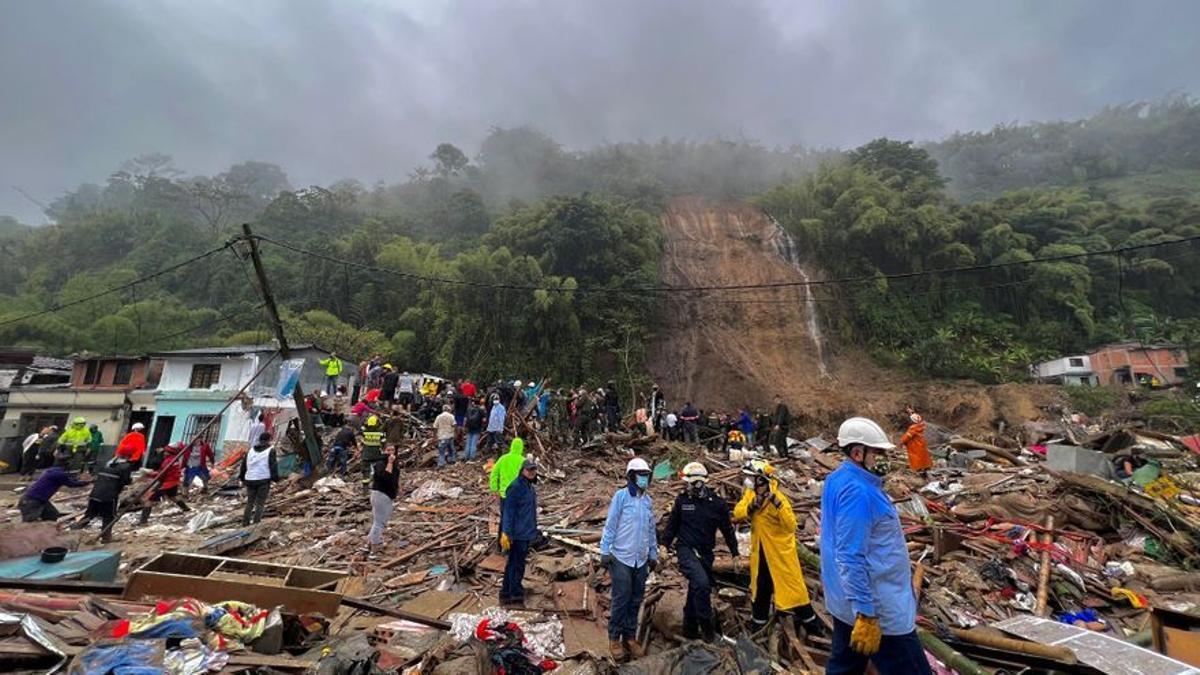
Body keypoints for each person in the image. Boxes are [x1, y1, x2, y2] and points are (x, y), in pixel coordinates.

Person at [821, 418, 930, 675]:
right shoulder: (859, 493)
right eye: (878, 452)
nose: (884, 458)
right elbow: (849, 556)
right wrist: (867, 614)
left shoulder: (838, 478)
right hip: (877, 610)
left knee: (845, 666)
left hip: (844, 602)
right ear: (858, 453)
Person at [733, 459, 825, 639]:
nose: (750, 482)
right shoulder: (750, 496)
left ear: (762, 480)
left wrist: (778, 505)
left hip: (780, 555)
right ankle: (757, 628)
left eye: (753, 479)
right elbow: (737, 512)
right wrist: (751, 507)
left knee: (795, 592)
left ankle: (815, 627)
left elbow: (791, 526)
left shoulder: (780, 499)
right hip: (761, 554)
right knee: (761, 591)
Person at [661, 462, 739, 642]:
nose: (688, 486)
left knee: (696, 589)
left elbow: (727, 529)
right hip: (686, 550)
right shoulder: (682, 501)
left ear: (699, 482)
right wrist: (664, 544)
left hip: (706, 554)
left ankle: (689, 630)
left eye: (691, 483)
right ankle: (708, 632)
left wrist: (735, 553)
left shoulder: (717, 504)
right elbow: (672, 525)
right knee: (702, 584)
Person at [600, 457, 658, 661]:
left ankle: (630, 636)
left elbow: (651, 530)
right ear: (631, 477)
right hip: (622, 557)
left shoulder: (648, 501)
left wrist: (653, 553)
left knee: (635, 599)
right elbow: (611, 525)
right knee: (621, 598)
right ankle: (614, 637)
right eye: (640, 475)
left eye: (646, 475)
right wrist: (604, 550)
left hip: (640, 559)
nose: (644, 479)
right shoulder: (621, 497)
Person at [500, 458, 539, 607]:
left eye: (533, 470)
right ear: (522, 470)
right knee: (516, 565)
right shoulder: (515, 487)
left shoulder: (529, 486)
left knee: (515, 564)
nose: (531, 472)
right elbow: (508, 512)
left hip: (526, 531)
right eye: (529, 470)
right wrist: (506, 532)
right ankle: (514, 594)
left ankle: (506, 592)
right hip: (517, 533)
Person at [72, 458, 134, 542]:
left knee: (90, 514)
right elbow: (125, 481)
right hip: (109, 496)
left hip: (95, 494)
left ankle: (76, 527)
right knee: (109, 517)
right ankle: (106, 537)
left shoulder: (105, 467)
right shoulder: (124, 468)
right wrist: (130, 481)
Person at [19, 456, 90, 522]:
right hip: (32, 501)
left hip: (37, 500)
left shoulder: (51, 471)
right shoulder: (59, 474)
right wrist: (86, 482)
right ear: (65, 466)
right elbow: (71, 484)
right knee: (30, 524)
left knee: (52, 515)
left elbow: (68, 479)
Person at [139, 442, 192, 524]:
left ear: (170, 452)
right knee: (173, 496)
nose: (164, 453)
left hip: (166, 483)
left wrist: (149, 473)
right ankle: (186, 509)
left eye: (166, 451)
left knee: (149, 500)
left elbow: (162, 473)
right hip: (173, 481)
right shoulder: (174, 459)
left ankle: (143, 521)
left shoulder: (169, 461)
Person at [489, 437, 526, 544]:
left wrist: (494, 489)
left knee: (505, 519)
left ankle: (501, 544)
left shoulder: (503, 459)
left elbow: (494, 474)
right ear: (521, 448)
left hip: (504, 495)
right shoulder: (523, 461)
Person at [366, 445, 401, 558]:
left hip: (385, 495)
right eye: (388, 450)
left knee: (377, 521)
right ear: (383, 451)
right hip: (381, 495)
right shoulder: (380, 464)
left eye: (392, 450)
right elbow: (386, 477)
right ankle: (375, 548)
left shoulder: (394, 464)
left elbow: (394, 478)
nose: (390, 453)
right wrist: (390, 463)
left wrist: (398, 487)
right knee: (380, 523)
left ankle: (370, 542)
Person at [239, 432, 279, 526]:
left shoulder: (251, 450)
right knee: (260, 503)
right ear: (269, 439)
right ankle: (256, 524)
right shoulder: (271, 450)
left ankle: (245, 522)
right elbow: (273, 465)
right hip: (263, 479)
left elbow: (244, 465)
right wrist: (275, 478)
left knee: (250, 502)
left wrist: (242, 477)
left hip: (250, 479)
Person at [359, 415, 385, 490]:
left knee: (365, 471)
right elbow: (383, 443)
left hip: (366, 455)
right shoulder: (380, 432)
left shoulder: (365, 431)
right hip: (377, 455)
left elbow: (361, 430)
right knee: (378, 470)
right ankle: (376, 486)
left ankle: (365, 487)